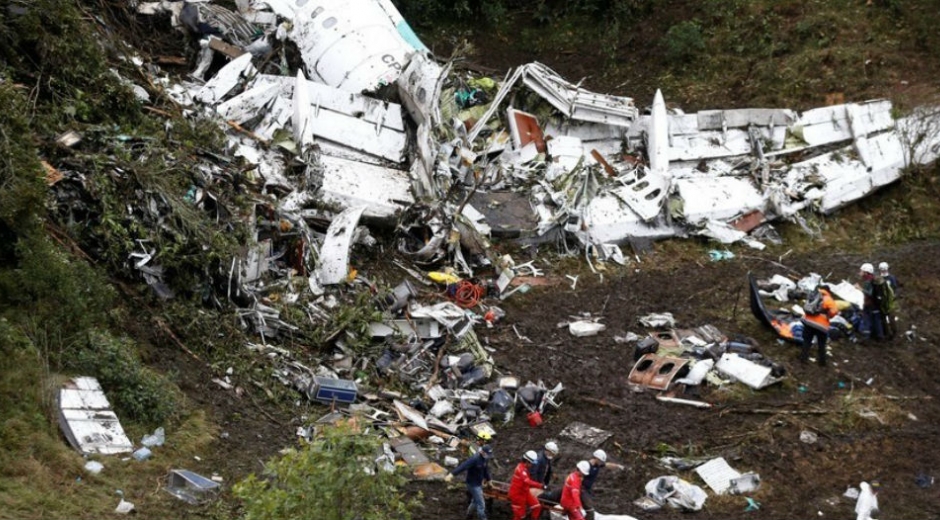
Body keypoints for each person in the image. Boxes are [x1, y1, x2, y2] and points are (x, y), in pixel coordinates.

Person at [446, 444, 493, 520]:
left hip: (479, 483)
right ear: (482, 452)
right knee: (481, 504)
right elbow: (463, 466)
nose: (488, 456)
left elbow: (485, 470)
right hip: (472, 484)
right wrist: (452, 474)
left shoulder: (485, 459)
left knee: (475, 501)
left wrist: (489, 480)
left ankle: (469, 515)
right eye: (487, 454)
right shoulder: (474, 459)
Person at [800, 284, 840, 366]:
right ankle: (822, 362)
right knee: (821, 344)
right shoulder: (829, 299)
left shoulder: (814, 295)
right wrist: (828, 315)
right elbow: (834, 311)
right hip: (821, 326)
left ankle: (803, 359)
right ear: (828, 291)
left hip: (808, 322)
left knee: (807, 341)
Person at [509, 450, 545, 520]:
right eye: (532, 463)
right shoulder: (520, 469)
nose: (532, 465)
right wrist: (539, 485)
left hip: (525, 492)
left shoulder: (525, 468)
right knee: (519, 516)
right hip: (517, 495)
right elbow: (527, 481)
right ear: (527, 461)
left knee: (537, 507)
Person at [859, 263, 886, 341]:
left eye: (861, 271)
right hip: (877, 303)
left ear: (865, 272)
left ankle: (866, 336)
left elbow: (869, 293)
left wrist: (860, 289)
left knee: (866, 319)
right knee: (877, 319)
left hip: (870, 304)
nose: (860, 273)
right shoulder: (875, 280)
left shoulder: (868, 282)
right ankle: (880, 335)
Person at [581, 450, 606, 520]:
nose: (601, 463)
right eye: (600, 461)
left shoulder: (597, 465)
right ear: (597, 458)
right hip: (582, 489)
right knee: (590, 511)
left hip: (587, 489)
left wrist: (618, 466)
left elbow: (607, 465)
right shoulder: (586, 466)